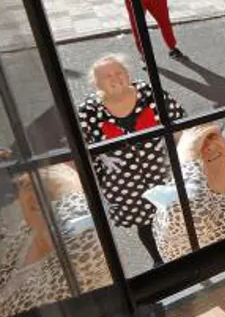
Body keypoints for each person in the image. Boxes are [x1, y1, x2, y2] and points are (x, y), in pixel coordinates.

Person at [76, 54, 185, 266]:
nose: (115, 78)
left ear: (128, 74)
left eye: (119, 72)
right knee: (145, 224)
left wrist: (183, 157)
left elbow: (178, 120)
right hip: (125, 184)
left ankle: (183, 253)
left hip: (163, 171)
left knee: (175, 215)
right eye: (107, 76)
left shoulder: (149, 93)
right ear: (96, 83)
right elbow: (85, 148)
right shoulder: (89, 110)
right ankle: (159, 261)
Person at [0, 163, 112, 317]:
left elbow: (87, 230)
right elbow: (3, 298)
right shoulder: (26, 232)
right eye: (26, 185)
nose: (36, 196)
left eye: (52, 195)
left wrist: (66, 183)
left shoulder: (84, 256)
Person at [146, 124, 225, 262]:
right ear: (181, 161)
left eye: (211, 136)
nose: (208, 146)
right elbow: (192, 212)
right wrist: (187, 157)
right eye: (196, 148)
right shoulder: (172, 208)